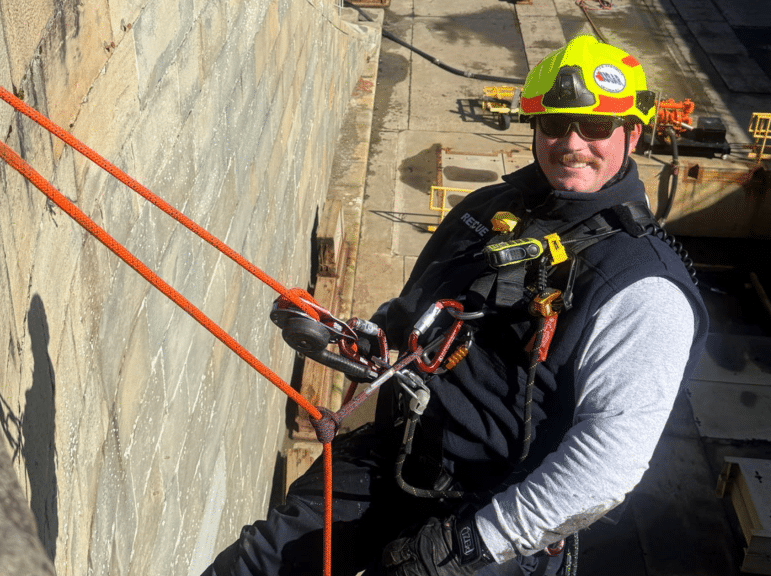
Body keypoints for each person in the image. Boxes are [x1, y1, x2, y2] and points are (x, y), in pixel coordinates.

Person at [203, 35, 708, 576]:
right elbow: (418, 312)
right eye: (555, 124)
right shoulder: (490, 208)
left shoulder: (643, 289)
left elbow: (610, 462)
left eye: (597, 127)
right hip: (401, 458)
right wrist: (363, 339)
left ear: (631, 133)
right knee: (258, 562)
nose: (572, 142)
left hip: (500, 517)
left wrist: (466, 546)